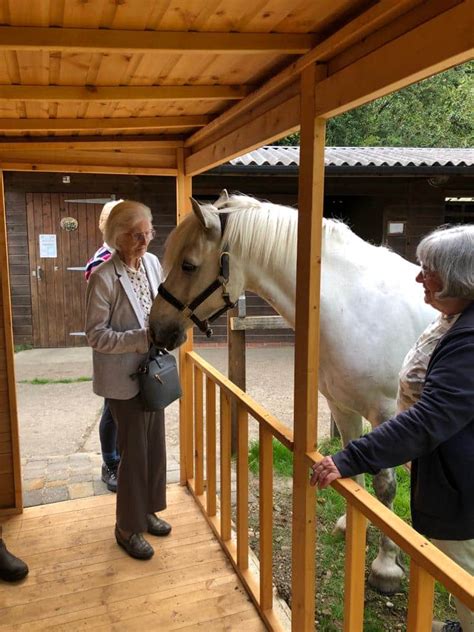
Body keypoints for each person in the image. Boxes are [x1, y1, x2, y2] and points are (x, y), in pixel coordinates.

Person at [310, 224, 474, 632]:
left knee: (465, 566)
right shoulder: (454, 320)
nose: (418, 277)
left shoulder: (470, 340)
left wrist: (351, 458)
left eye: (429, 269)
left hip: (465, 486)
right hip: (450, 470)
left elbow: (426, 420)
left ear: (459, 276)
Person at [85, 200, 171, 560]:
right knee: (134, 454)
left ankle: (147, 511)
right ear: (117, 237)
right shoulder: (103, 276)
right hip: (123, 381)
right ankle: (125, 527)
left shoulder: (151, 264)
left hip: (154, 374)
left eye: (148, 233)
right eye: (136, 236)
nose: (144, 241)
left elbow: (164, 306)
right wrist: (141, 338)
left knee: (154, 447)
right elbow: (96, 335)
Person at [85, 199, 124, 492]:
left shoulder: (130, 258)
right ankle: (109, 462)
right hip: (113, 349)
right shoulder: (101, 263)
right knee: (111, 408)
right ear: (103, 225)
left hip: (131, 349)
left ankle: (122, 458)